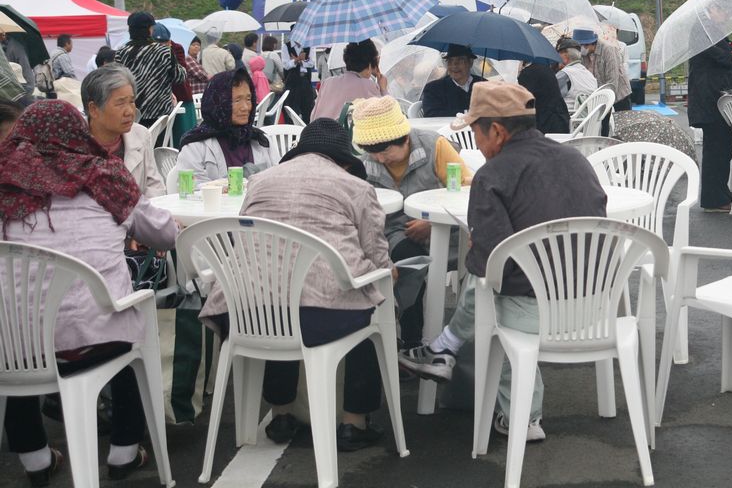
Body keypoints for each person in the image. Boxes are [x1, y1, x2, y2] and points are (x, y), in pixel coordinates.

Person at [398, 83, 607, 441]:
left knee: (487, 290)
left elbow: (493, 265)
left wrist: (475, 245)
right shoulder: (576, 160)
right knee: (501, 283)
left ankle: (520, 415)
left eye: (476, 133)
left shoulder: (492, 176)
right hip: (593, 307)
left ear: (495, 130)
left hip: (535, 314)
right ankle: (443, 349)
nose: (476, 145)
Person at [0, 101, 177, 483]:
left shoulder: (5, 179)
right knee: (129, 333)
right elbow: (164, 234)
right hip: (93, 341)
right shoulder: (103, 178)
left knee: (18, 336)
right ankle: (123, 453)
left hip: (15, 346)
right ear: (78, 133)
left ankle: (36, 461)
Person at [199, 119, 395, 451]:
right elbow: (375, 254)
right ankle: (353, 422)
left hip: (243, 310)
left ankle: (281, 414)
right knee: (370, 307)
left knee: (278, 301)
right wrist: (387, 271)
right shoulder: (356, 187)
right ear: (344, 161)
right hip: (320, 316)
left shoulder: (259, 182)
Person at [354, 96, 473, 344]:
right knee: (409, 260)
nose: (379, 159)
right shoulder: (367, 163)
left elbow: (466, 189)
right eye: (372, 152)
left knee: (473, 262)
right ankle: (413, 339)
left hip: (445, 230)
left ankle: (452, 337)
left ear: (405, 138)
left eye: (385, 150)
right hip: (396, 232)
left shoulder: (434, 147)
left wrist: (432, 223)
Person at [177, 69, 277, 187]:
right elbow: (189, 188)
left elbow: (278, 178)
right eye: (237, 100)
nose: (245, 107)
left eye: (248, 99)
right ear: (218, 102)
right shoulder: (195, 145)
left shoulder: (261, 140)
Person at [81, 65, 166, 198]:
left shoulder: (140, 135)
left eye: (131, 101)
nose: (130, 112)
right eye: (120, 103)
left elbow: (155, 187)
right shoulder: (72, 145)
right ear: (93, 109)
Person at [687, 36, 732, 212]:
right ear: (712, 10)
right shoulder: (701, 32)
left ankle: (722, 193)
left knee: (724, 148)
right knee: (715, 150)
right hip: (711, 100)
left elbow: (725, 60)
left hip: (719, 98)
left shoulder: (715, 32)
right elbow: (719, 57)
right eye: (723, 11)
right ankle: (713, 199)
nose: (726, 14)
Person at [114, 11, 186, 124]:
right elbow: (179, 77)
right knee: (162, 142)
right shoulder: (163, 51)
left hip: (133, 115)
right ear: (149, 29)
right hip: (161, 116)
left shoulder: (121, 53)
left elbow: (117, 81)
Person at [312, 39, 386, 121]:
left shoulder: (327, 82)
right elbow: (387, 113)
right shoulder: (368, 85)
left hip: (315, 131)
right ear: (370, 64)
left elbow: (313, 116)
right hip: (343, 133)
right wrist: (383, 89)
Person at [154, 23, 198, 142]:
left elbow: (180, 73)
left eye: (165, 42)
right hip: (160, 101)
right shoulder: (149, 52)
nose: (162, 46)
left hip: (181, 96)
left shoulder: (177, 48)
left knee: (184, 135)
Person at [575, 28, 632, 112]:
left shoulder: (609, 49)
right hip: (599, 96)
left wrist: (606, 101)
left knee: (620, 121)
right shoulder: (585, 55)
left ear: (589, 44)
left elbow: (612, 80)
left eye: (581, 46)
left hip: (618, 95)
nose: (581, 49)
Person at [420, 44, 484, 117]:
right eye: (450, 61)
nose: (454, 66)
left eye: (460, 60)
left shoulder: (485, 85)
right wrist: (467, 113)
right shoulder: (433, 88)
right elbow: (431, 114)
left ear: (470, 62)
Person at [517, 60, 571, 134]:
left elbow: (521, 100)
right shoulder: (545, 69)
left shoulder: (528, 73)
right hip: (560, 121)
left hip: (545, 126)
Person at [283, 35, 317, 123]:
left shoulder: (309, 46)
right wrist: (298, 60)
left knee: (308, 108)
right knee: (291, 109)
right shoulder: (286, 46)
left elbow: (312, 63)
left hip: (306, 80)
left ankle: (308, 131)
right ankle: (291, 133)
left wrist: (298, 61)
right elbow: (286, 65)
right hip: (292, 81)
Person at [555, 37, 598, 106]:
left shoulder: (564, 74)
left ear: (565, 56)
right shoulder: (588, 74)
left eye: (558, 53)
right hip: (589, 114)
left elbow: (549, 96)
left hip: (570, 114)